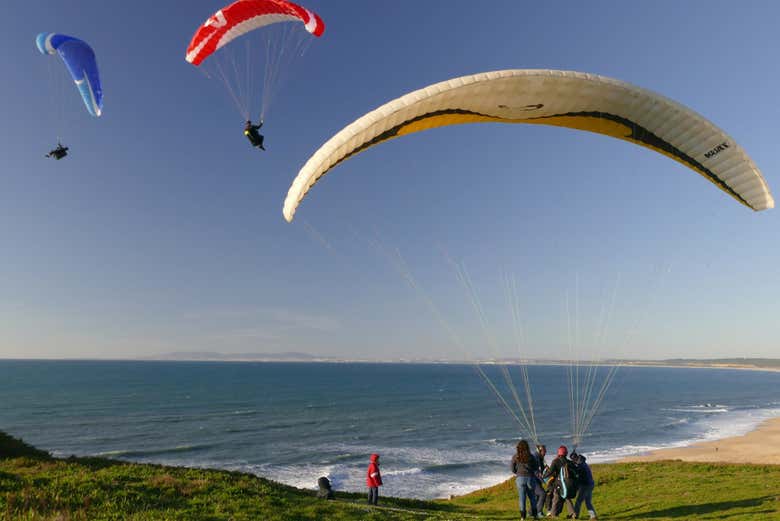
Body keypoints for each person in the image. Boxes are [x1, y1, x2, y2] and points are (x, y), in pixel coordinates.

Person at [543, 445, 577, 518]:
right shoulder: (569, 462)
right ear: (566, 453)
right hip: (569, 483)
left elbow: (550, 472)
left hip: (560, 483)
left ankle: (553, 514)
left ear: (558, 453)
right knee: (567, 497)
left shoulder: (555, 461)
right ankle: (573, 513)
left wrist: (544, 475)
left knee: (556, 497)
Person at [511, 439, 538, 520]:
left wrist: (517, 472)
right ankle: (535, 515)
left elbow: (512, 468)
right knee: (532, 497)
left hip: (520, 478)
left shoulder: (515, 456)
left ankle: (523, 517)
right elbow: (536, 467)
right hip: (530, 478)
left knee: (522, 498)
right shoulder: (531, 456)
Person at [572, 453, 597, 520]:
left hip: (585, 485)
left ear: (575, 459)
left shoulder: (580, 466)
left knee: (578, 501)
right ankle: (593, 516)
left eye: (573, 460)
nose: (573, 462)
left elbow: (580, 477)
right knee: (588, 502)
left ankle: (575, 515)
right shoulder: (583, 463)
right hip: (591, 484)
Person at [533, 444, 549, 517]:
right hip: (533, 479)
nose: (545, 453)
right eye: (544, 451)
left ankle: (531, 512)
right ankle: (539, 512)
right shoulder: (536, 457)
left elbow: (541, 469)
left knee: (537, 497)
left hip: (536, 480)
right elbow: (536, 471)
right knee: (542, 493)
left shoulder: (540, 457)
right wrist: (543, 480)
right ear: (540, 451)